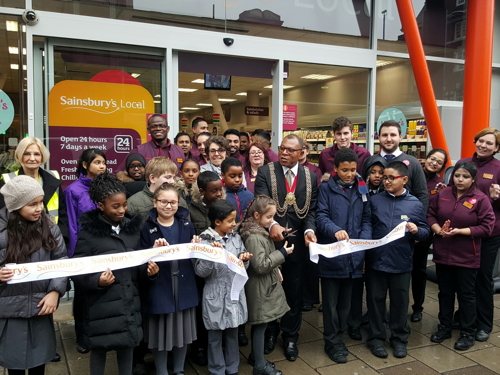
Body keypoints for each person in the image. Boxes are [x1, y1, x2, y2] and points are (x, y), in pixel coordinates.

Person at [72, 173, 144, 375]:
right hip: (100, 307)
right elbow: (77, 270)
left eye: (124, 205)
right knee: (99, 350)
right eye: (115, 206)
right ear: (101, 206)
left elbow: (140, 264)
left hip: (129, 301)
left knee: (127, 346)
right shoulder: (88, 234)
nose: (122, 210)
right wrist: (96, 281)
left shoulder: (133, 230)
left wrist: (149, 271)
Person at [254, 134, 318, 361]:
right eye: (282, 148)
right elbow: (260, 203)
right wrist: (272, 224)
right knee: (270, 290)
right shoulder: (265, 172)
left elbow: (311, 211)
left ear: (302, 153)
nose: (284, 153)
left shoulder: (311, 176)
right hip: (271, 244)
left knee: (294, 291)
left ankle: (291, 336)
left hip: (299, 245)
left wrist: (310, 231)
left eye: (291, 150)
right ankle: (270, 333)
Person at [0, 175, 67, 375]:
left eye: (40, 202)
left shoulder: (50, 228)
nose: (39, 208)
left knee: (40, 361)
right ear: (16, 206)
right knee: (14, 364)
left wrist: (55, 291)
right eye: (32, 204)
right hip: (9, 309)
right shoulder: (2, 232)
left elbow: (60, 260)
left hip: (41, 305)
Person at [427, 161, 495, 351]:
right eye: (457, 175)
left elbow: (487, 227)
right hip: (443, 253)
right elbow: (430, 214)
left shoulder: (480, 199)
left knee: (466, 295)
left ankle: (468, 331)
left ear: (473, 179)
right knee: (445, 293)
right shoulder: (443, 194)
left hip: (467, 255)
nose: (460, 179)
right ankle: (445, 327)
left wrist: (460, 231)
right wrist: (438, 229)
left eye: (465, 176)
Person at [366, 161, 430, 359]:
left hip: (401, 262)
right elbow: (367, 224)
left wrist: (417, 231)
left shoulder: (415, 204)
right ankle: (376, 338)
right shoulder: (374, 200)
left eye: (391, 178)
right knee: (375, 301)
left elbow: (426, 232)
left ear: (404, 179)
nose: (386, 181)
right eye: (384, 177)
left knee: (400, 302)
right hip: (376, 261)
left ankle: (399, 339)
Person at [316, 148, 371, 363]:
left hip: (354, 256)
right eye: (344, 170)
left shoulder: (362, 188)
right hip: (333, 255)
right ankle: (332, 341)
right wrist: (334, 230)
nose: (349, 174)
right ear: (335, 169)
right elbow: (321, 216)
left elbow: (366, 218)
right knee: (330, 303)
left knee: (346, 303)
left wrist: (363, 243)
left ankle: (341, 336)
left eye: (352, 169)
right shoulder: (326, 189)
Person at [139, 183, 199, 375]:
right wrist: (151, 255)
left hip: (184, 285)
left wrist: (196, 247)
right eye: (164, 202)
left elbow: (192, 256)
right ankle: (162, 371)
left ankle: (180, 370)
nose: (168, 206)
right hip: (160, 286)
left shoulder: (187, 224)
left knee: (183, 331)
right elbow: (139, 259)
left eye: (173, 202)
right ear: (154, 202)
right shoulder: (146, 227)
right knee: (160, 333)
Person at [450, 127, 500, 342]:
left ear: (496, 148)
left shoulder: (498, 168)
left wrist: (497, 198)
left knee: (482, 278)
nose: (483, 145)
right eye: (481, 140)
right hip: (463, 233)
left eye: (489, 143)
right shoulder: (462, 163)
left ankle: (484, 323)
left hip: (488, 234)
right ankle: (464, 316)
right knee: (464, 278)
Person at [239, 195, 294, 375]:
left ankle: (257, 357)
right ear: (256, 215)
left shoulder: (258, 231)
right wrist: (282, 254)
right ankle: (259, 367)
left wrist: (276, 266)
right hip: (259, 288)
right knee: (260, 325)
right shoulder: (254, 237)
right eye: (269, 217)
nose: (272, 222)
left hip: (262, 286)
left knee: (260, 324)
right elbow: (260, 265)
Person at [195, 200, 251, 375]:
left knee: (233, 334)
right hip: (215, 292)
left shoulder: (236, 237)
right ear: (217, 222)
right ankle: (217, 369)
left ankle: (232, 367)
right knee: (214, 336)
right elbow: (200, 272)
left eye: (234, 219)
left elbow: (243, 267)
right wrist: (212, 256)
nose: (234, 224)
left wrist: (245, 259)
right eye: (230, 220)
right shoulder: (204, 240)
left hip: (234, 292)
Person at [1, 137, 69, 244]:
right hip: (20, 243)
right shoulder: (8, 181)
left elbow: (63, 214)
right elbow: (3, 218)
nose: (32, 158)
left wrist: (61, 238)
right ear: (19, 156)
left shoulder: (53, 177)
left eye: (37, 154)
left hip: (51, 240)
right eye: (27, 154)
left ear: (42, 157)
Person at [347, 159, 384, 341]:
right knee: (355, 288)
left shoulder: (388, 192)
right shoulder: (360, 189)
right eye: (373, 172)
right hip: (360, 244)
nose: (377, 176)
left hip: (379, 248)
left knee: (375, 289)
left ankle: (374, 318)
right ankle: (353, 321)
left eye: (381, 172)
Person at [410, 149, 448, 323]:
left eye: (439, 162)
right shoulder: (411, 174)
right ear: (426, 158)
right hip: (403, 232)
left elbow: (440, 212)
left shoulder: (440, 185)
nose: (434, 163)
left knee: (419, 271)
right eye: (432, 158)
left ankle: (418, 307)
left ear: (442, 167)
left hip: (423, 235)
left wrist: (444, 194)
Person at [362, 120, 429, 211]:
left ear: (400, 137)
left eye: (393, 135)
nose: (389, 139)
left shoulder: (413, 163)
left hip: (405, 218)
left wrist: (418, 220)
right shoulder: (370, 161)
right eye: (385, 135)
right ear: (378, 137)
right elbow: (363, 191)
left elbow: (422, 194)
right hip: (374, 218)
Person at [65, 148, 107, 257]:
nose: (102, 166)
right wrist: (72, 254)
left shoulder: (108, 187)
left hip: (106, 243)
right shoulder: (73, 190)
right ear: (85, 165)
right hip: (84, 245)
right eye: (97, 163)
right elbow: (71, 224)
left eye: (103, 163)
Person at [128, 157, 187, 223]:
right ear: (152, 178)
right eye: (168, 177)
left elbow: (186, 228)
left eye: (173, 177)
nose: (172, 181)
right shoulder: (133, 203)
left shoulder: (180, 201)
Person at [189, 171, 224, 235]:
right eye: (214, 191)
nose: (219, 194)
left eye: (220, 189)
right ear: (202, 191)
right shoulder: (191, 211)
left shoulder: (226, 208)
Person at [221, 158, 254, 222]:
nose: (237, 180)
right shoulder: (220, 196)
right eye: (232, 176)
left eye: (240, 176)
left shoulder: (249, 195)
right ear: (222, 175)